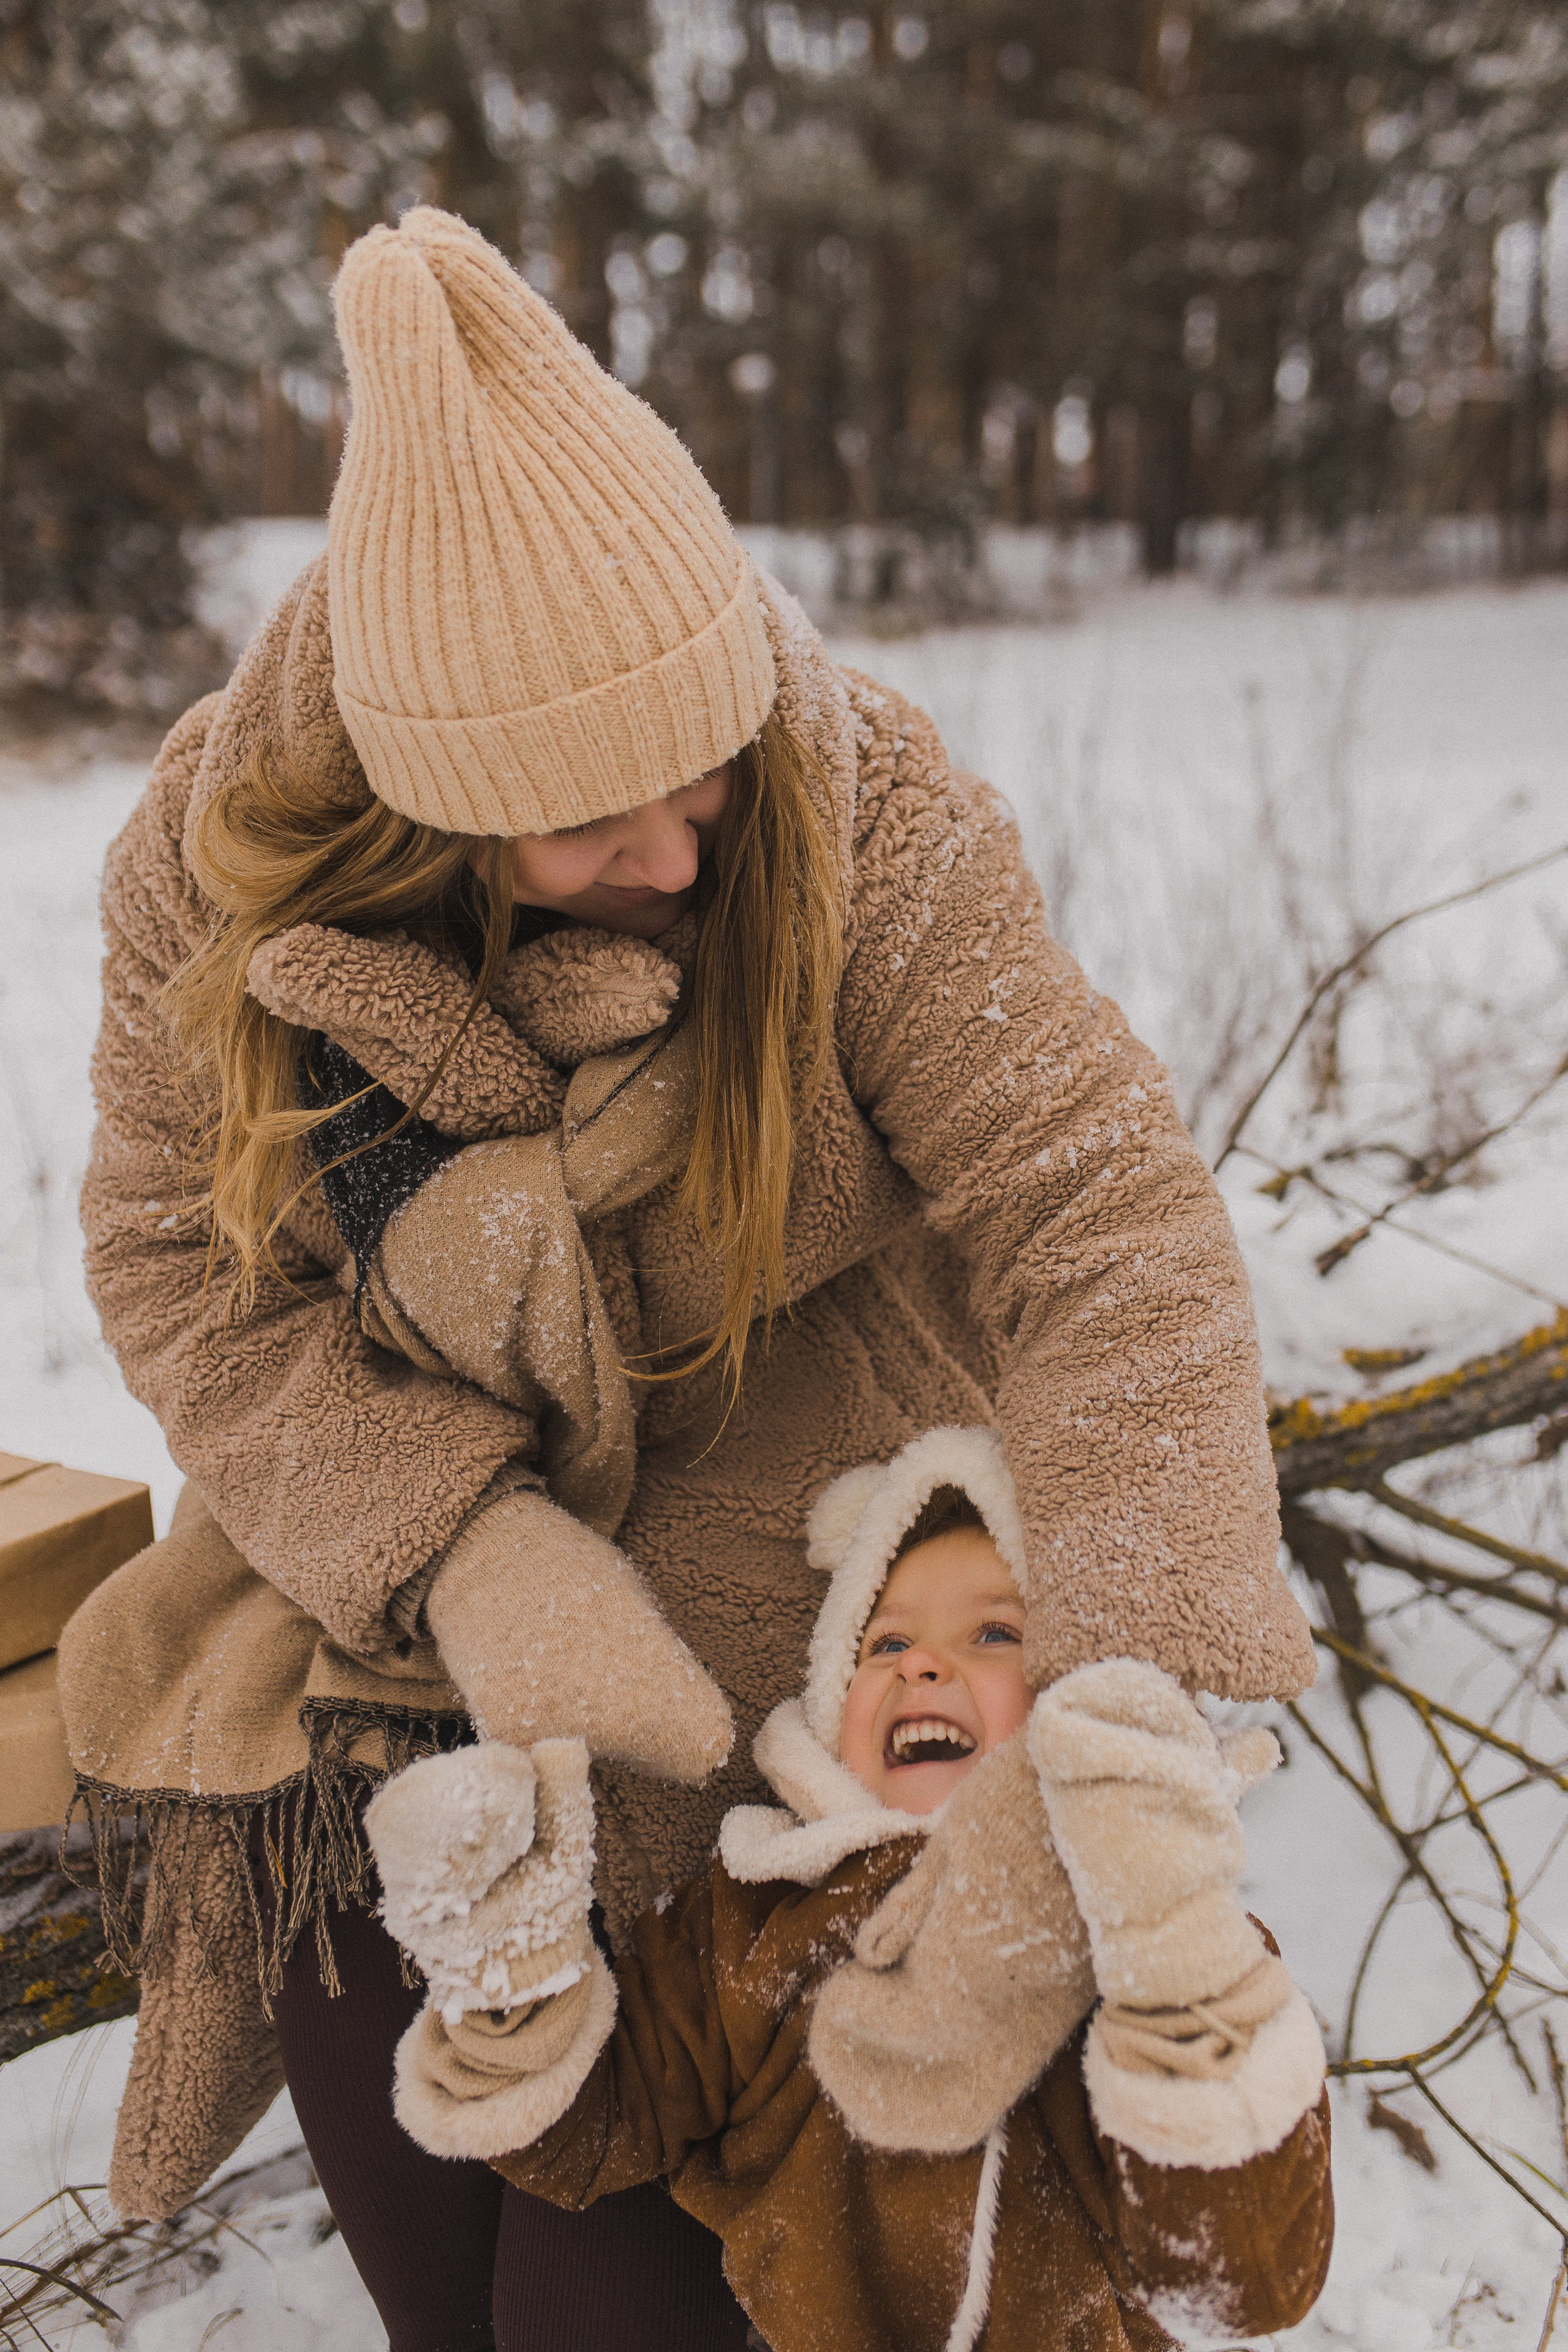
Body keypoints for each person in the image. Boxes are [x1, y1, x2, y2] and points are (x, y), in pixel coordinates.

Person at [59, 203, 1316, 2351]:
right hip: (396, 1626)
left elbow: (1099, 1207)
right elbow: (173, 1262)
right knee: (456, 2251)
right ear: (427, 814)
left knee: (624, 2296)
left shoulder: (862, 812)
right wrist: (458, 1547)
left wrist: (1119, 1672)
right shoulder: (213, 859)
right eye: (587, 823)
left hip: (805, 1551)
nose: (678, 846)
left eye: (699, 768)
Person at [366, 1428, 1333, 2352]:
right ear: (832, 1691)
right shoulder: (753, 1911)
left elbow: (1248, 2277)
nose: (923, 1661)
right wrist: (510, 1965)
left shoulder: (1152, 1921)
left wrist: (1171, 1937)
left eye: (995, 1632)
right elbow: (598, 2135)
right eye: (884, 1644)